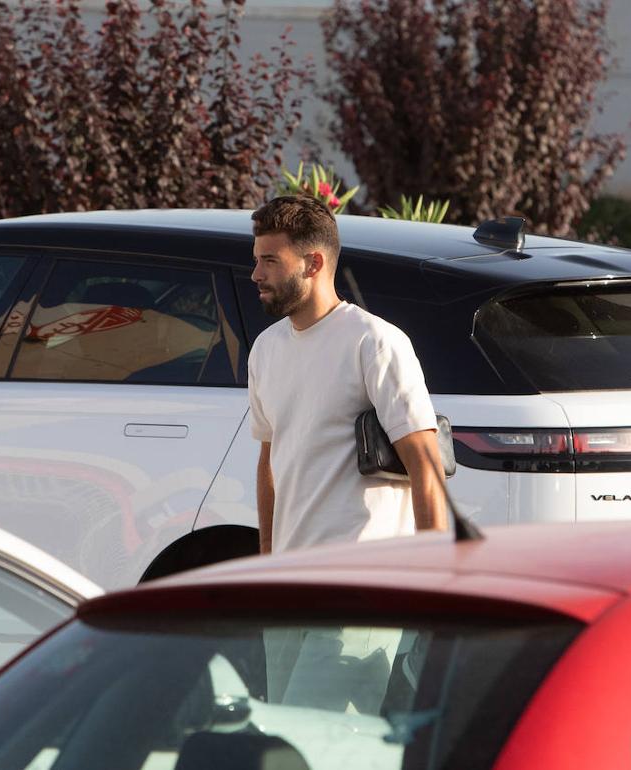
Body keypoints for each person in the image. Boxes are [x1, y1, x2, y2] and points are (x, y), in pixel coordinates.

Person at [246, 194, 446, 712]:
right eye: (256, 259)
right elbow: (270, 463)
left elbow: (426, 467)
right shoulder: (266, 349)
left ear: (312, 263)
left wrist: (439, 594)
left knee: (321, 745)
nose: (256, 274)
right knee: (284, 740)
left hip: (361, 585)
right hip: (288, 588)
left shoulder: (374, 343)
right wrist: (266, 566)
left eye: (270, 260)